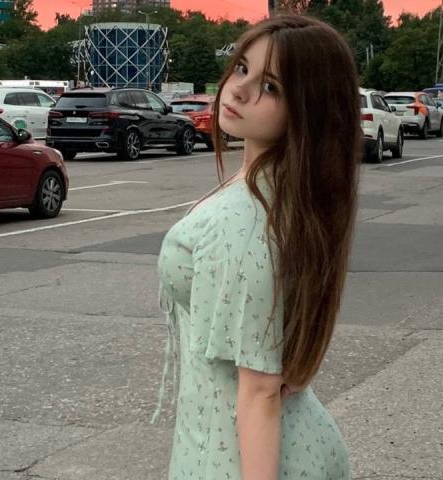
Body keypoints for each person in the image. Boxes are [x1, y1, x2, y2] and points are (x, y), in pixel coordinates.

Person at [154, 14, 360, 480]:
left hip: (231, 456)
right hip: (289, 442)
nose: (238, 90)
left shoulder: (245, 220)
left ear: (308, 109)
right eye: (242, 68)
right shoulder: (291, 193)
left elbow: (262, 391)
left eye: (270, 87)